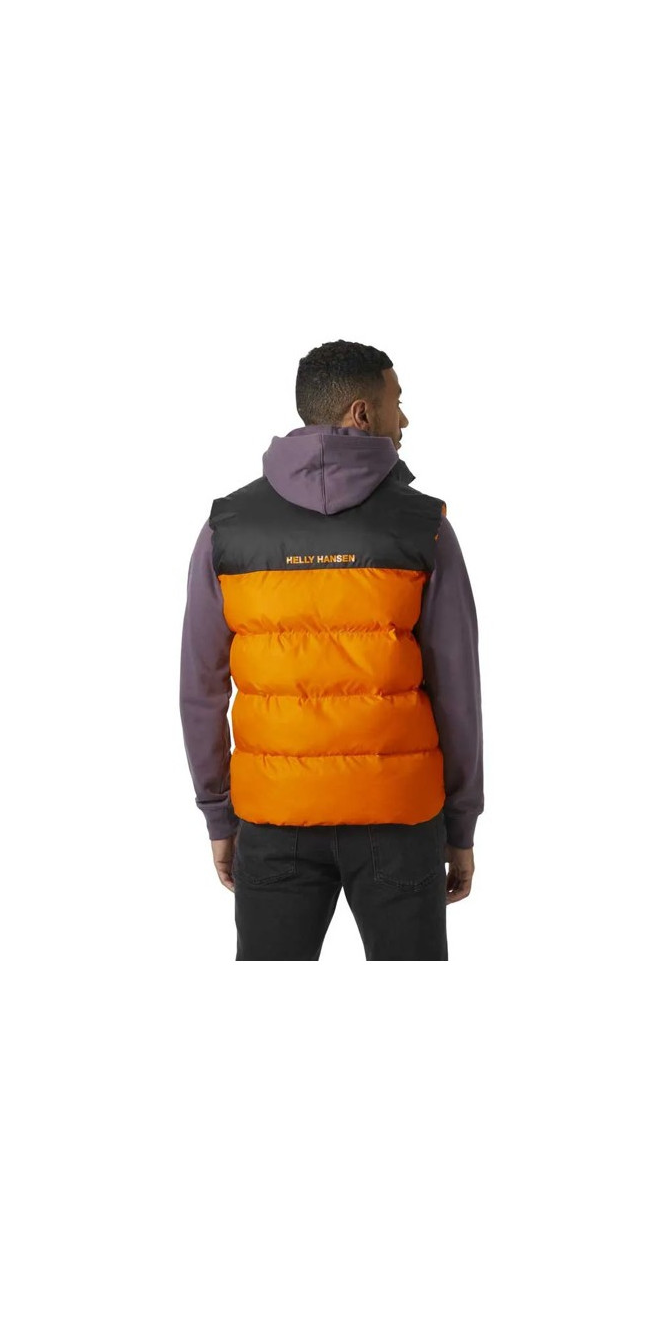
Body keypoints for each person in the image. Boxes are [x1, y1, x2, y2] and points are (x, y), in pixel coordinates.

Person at [178, 339, 484, 960]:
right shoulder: (424, 525)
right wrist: (461, 823)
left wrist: (218, 813)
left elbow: (200, 687)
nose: (405, 419)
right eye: (398, 402)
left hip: (275, 818)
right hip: (400, 819)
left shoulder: (228, 527)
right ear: (362, 414)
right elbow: (458, 689)